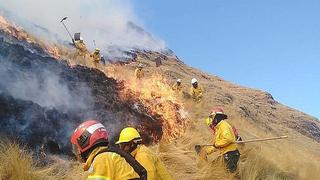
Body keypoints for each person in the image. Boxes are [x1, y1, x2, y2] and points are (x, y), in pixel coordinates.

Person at [70, 120, 147, 180]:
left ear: (85, 140)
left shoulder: (101, 159)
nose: (77, 152)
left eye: (77, 148)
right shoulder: (108, 155)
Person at [204, 107, 240, 172]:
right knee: (213, 167)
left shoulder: (224, 125)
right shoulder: (219, 128)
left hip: (231, 154)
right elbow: (219, 144)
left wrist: (216, 144)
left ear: (216, 118)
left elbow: (228, 139)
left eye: (212, 117)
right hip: (227, 154)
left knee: (230, 174)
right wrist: (207, 152)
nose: (211, 121)